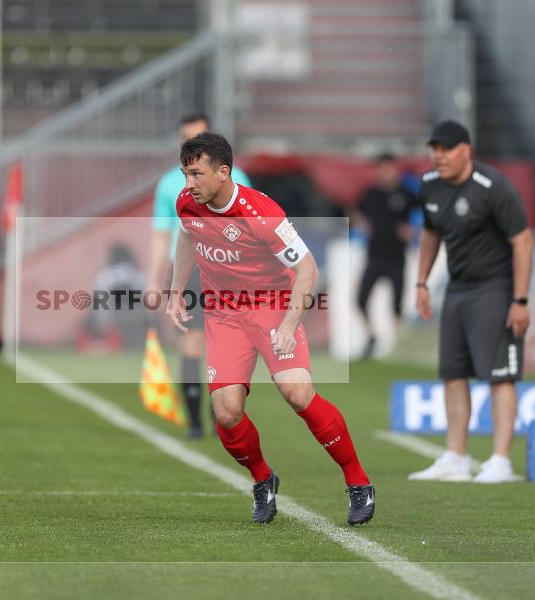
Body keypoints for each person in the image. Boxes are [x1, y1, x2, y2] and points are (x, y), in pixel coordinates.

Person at [167, 132, 375, 525]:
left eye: (195, 174)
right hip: (225, 315)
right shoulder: (186, 204)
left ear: (223, 172)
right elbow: (187, 237)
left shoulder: (260, 213)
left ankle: (358, 482)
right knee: (227, 413)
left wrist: (289, 322)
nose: (188, 183)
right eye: (184, 174)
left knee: (297, 394)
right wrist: (176, 290)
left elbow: (307, 268)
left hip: (272, 308)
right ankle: (263, 479)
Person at [410, 120, 534, 484]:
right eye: (434, 148)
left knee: (499, 376)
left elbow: (523, 241)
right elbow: (431, 232)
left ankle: (500, 460)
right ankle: (456, 456)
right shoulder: (429, 185)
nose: (438, 155)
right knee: (453, 373)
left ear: (466, 150)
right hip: (458, 289)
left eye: (446, 148)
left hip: (495, 289)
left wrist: (521, 300)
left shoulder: (492, 186)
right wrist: (422, 281)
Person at [146, 114, 252, 438]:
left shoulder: (236, 178)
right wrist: (153, 279)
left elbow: (249, 226)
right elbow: (162, 234)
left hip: (228, 272)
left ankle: (220, 410)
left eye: (198, 136)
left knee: (227, 345)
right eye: (186, 138)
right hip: (189, 273)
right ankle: (195, 421)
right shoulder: (168, 184)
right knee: (191, 344)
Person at [351, 153, 419, 359]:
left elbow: (427, 213)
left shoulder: (406, 194)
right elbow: (355, 210)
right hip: (374, 256)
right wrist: (361, 224)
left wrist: (413, 230)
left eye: (389, 167)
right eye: (382, 168)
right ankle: (371, 335)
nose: (385, 172)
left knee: (396, 304)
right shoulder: (370, 194)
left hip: (397, 256)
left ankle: (396, 347)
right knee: (360, 299)